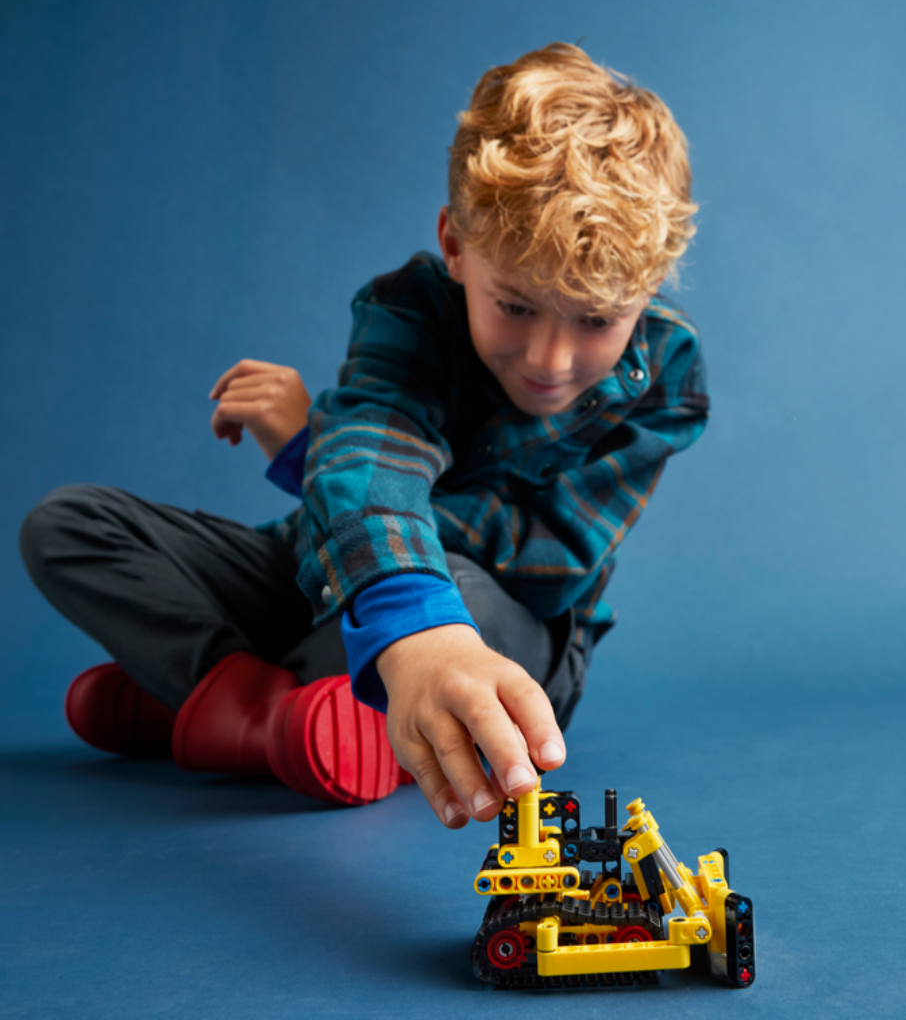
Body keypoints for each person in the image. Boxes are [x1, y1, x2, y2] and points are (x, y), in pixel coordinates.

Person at [19, 43, 708, 828]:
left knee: (456, 592)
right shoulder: (409, 310)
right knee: (69, 525)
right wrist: (351, 496)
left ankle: (198, 695)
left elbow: (550, 563)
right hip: (331, 572)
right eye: (515, 306)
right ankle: (255, 711)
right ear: (455, 246)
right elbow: (376, 444)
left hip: (505, 626)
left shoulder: (669, 371)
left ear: (648, 287)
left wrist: (308, 458)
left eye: (596, 320)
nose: (551, 359)